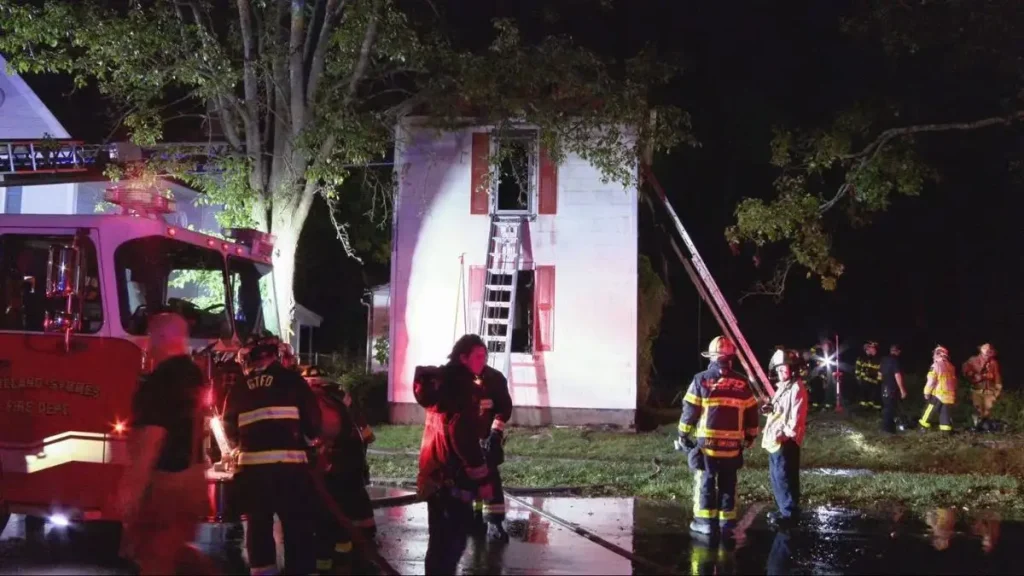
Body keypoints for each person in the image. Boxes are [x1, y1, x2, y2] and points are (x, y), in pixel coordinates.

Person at [115, 313, 217, 575]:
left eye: (150, 337)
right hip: (193, 481)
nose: (148, 345)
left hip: (166, 487)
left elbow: (151, 439)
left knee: (155, 560)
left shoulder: (160, 382)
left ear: (161, 338)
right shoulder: (195, 375)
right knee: (176, 554)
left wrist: (131, 496)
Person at [222, 334, 323, 575]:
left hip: (253, 473)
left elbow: (229, 429)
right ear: (275, 356)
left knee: (258, 529)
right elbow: (313, 424)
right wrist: (309, 445)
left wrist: (243, 448)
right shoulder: (293, 381)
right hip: (290, 471)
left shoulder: (238, 388)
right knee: (297, 527)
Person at [414, 334, 495, 575]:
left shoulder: (442, 385)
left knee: (438, 542)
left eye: (485, 356)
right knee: (453, 542)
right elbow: (462, 435)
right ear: (463, 357)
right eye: (478, 356)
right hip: (453, 478)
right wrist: (482, 478)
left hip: (434, 475)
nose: (483, 361)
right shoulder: (463, 388)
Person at [677, 336, 760, 538]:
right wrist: (750, 436)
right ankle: (726, 523)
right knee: (728, 483)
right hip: (732, 446)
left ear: (712, 357)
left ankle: (704, 523)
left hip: (708, 446)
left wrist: (683, 433)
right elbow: (752, 411)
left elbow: (690, 410)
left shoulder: (701, 379)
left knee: (706, 481)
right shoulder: (742, 382)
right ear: (731, 357)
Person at [302, 365, 377, 574]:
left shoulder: (312, 399)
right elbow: (367, 434)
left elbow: (316, 435)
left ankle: (329, 566)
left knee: (328, 521)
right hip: (354, 465)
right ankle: (358, 560)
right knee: (357, 516)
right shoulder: (340, 394)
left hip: (333, 468)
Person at [762, 350, 808, 530]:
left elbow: (795, 419)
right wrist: (770, 409)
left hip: (785, 441)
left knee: (784, 477)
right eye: (779, 369)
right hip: (775, 440)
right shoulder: (783, 386)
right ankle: (783, 510)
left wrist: (784, 433)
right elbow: (779, 410)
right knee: (777, 477)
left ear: (793, 369)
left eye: (785, 369)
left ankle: (789, 515)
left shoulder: (797, 388)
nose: (781, 373)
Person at [472, 363, 513, 542]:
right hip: (464, 438)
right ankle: (474, 517)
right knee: (467, 481)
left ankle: (494, 523)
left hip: (487, 438)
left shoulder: (495, 379)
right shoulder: (458, 378)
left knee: (490, 481)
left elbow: (503, 409)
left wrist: (495, 433)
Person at [962, 343, 1003, 432]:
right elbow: (965, 370)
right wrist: (974, 375)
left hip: (989, 390)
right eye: (985, 348)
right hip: (977, 389)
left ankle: (985, 428)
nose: (987, 350)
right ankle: (977, 427)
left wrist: (998, 389)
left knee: (988, 410)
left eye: (989, 349)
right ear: (981, 349)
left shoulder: (993, 362)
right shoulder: (973, 360)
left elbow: (997, 376)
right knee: (978, 409)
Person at [918, 345, 957, 433]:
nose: (933, 356)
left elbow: (931, 380)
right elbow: (954, 382)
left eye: (935, 354)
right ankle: (946, 431)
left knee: (929, 411)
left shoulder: (936, 365)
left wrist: (927, 392)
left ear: (938, 354)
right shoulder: (951, 367)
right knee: (945, 413)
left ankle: (923, 427)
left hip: (938, 395)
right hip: (949, 396)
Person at [879, 344, 908, 433]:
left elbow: (879, 374)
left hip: (884, 387)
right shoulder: (895, 360)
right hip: (892, 388)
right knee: (890, 408)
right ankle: (887, 430)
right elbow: (897, 375)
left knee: (888, 407)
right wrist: (902, 389)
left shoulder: (884, 359)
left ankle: (891, 427)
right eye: (899, 352)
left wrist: (883, 382)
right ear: (897, 351)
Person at [855, 341, 882, 410]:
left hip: (874, 381)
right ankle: (865, 406)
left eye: (871, 348)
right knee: (865, 394)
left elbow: (877, 370)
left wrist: (878, 380)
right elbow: (858, 369)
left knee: (874, 394)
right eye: (868, 348)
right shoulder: (862, 358)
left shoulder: (877, 358)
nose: (869, 349)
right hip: (864, 380)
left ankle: (874, 407)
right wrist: (859, 377)